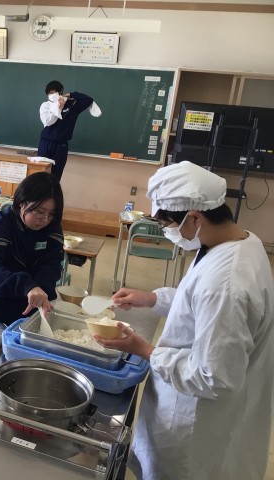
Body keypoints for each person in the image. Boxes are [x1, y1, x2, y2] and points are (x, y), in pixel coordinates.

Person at [96, 161, 274, 480]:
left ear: (194, 217)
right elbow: (197, 302)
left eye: (167, 224)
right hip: (194, 405)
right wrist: (152, 298)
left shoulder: (226, 286)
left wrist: (146, 351)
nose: (168, 233)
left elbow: (214, 376)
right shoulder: (238, 242)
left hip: (196, 422)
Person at [0, 171, 64, 325]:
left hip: (32, 307)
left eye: (51, 214)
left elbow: (52, 263)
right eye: (40, 212)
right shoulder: (0, 227)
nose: (45, 219)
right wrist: (27, 286)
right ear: (21, 202)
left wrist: (40, 288)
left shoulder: (52, 227)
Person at [37, 80, 101, 181]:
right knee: (41, 175)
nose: (52, 94)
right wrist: (59, 108)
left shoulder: (71, 105)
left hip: (61, 145)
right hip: (46, 143)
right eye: (49, 92)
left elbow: (88, 99)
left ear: (60, 92)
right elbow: (48, 122)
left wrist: (71, 94)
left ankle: (53, 191)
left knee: (56, 176)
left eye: (54, 92)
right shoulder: (46, 105)